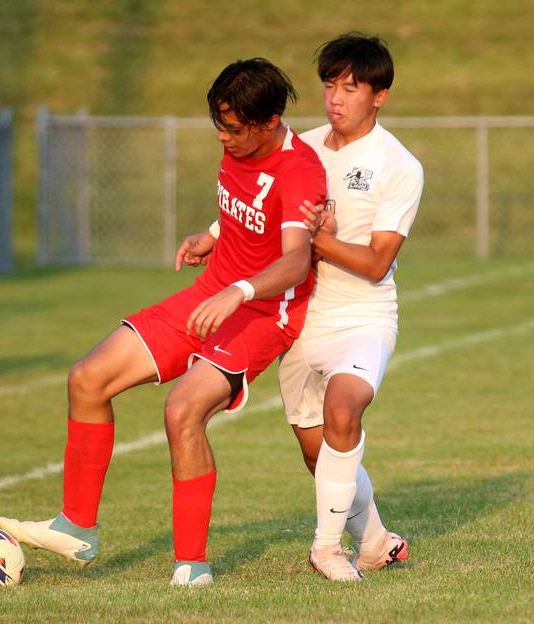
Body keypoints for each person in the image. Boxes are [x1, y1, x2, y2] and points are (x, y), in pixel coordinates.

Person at [0, 58, 326, 586]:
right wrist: (214, 235)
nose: (223, 137)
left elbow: (294, 258)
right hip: (209, 295)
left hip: (264, 312)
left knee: (182, 410)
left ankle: (192, 567)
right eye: (218, 124)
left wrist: (238, 292)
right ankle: (78, 526)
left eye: (234, 128)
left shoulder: (301, 168)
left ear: (268, 122)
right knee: (87, 379)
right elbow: (250, 202)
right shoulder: (237, 144)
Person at [177, 33, 423, 582]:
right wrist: (213, 235)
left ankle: (326, 550)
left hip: (362, 315)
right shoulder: (302, 148)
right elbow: (263, 203)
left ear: (379, 95)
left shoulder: (398, 165)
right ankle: (377, 539)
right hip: (298, 315)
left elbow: (378, 262)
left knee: (344, 409)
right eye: (330, 85)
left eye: (351, 87)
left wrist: (321, 240)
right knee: (319, 453)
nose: (336, 98)